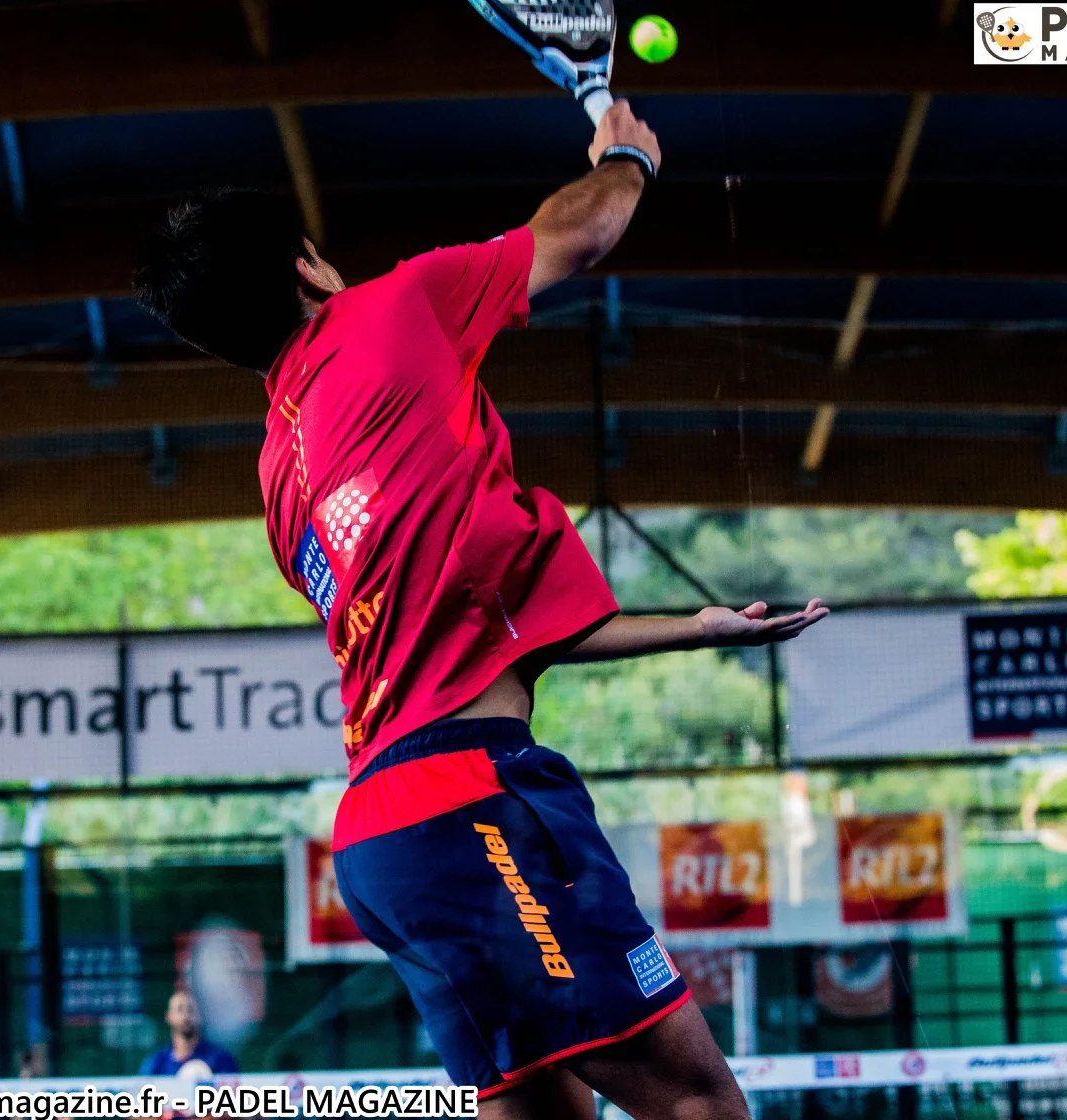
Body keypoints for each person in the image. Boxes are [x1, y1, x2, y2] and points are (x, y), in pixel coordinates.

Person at [134, 101, 827, 1120]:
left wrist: (696, 629)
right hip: (471, 801)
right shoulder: (390, 309)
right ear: (309, 268)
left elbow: (477, 641)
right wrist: (625, 155)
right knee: (696, 1101)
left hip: (384, 838)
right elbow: (579, 230)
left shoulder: (280, 480)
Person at [139, 988, 240, 1080]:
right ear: (169, 1016)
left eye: (191, 1010)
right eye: (180, 1009)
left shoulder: (221, 1060)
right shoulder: (156, 1064)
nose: (186, 1016)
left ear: (200, 1015)